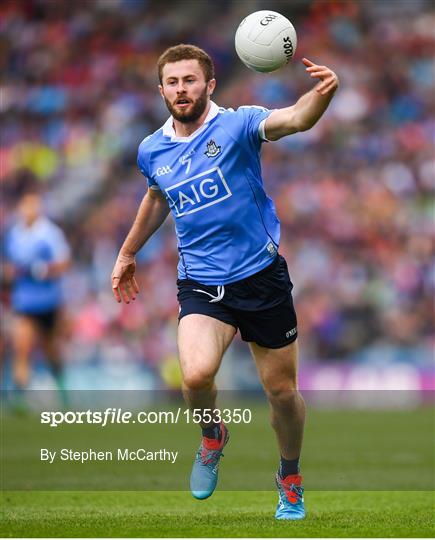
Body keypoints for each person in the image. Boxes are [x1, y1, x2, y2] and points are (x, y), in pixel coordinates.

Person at [111, 44, 338, 520]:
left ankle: (289, 478)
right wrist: (129, 252)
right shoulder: (152, 148)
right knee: (194, 377)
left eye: (189, 80)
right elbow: (157, 197)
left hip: (261, 278)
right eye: (172, 83)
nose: (181, 90)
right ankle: (213, 435)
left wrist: (322, 94)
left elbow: (295, 119)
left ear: (209, 85)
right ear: (161, 90)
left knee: (281, 394)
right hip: (202, 284)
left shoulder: (237, 124)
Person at [4, 189, 71, 404]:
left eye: (32, 205)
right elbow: (11, 266)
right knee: (21, 347)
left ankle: (63, 393)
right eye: (25, 206)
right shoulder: (14, 234)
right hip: (24, 301)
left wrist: (42, 270)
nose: (28, 210)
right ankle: (19, 400)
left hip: (48, 301)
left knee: (51, 351)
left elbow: (63, 263)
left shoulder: (49, 233)